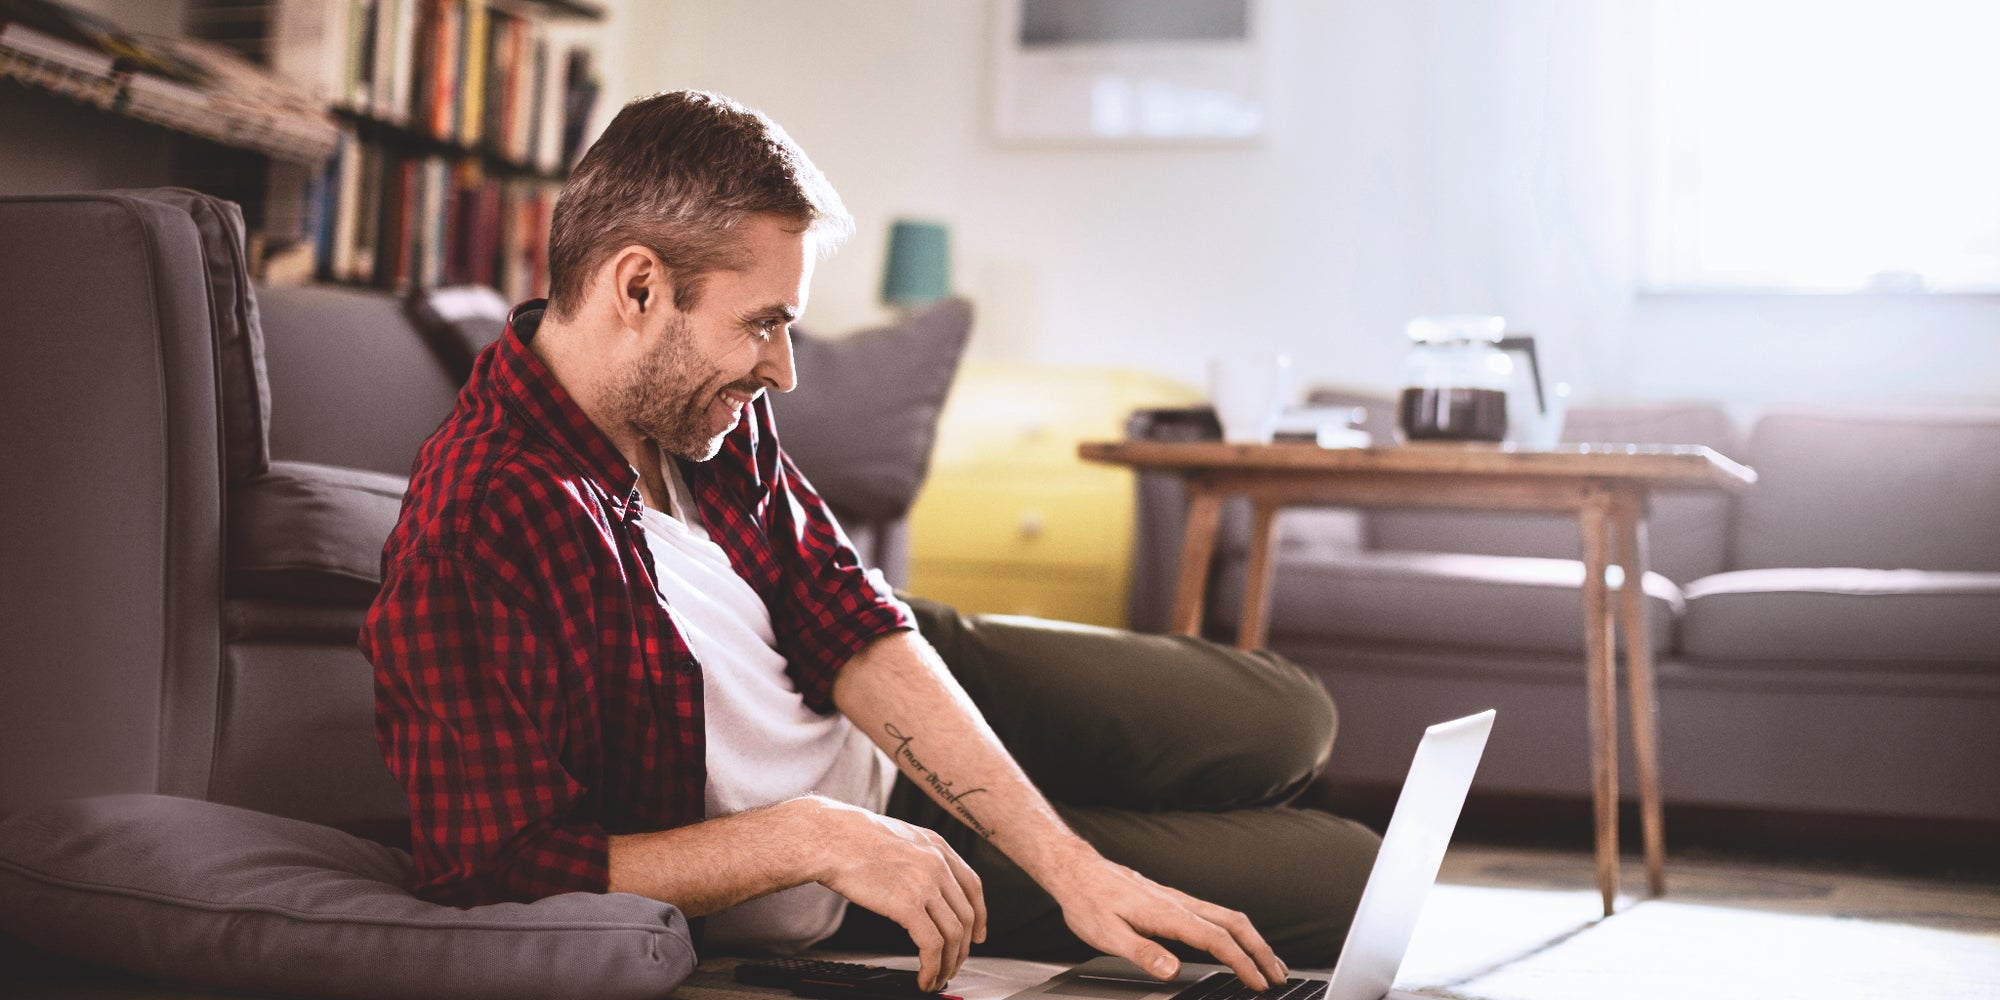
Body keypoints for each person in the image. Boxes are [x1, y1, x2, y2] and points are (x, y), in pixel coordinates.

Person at [361, 89, 1378, 993]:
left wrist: (1071, 867)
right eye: (762, 323)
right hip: (872, 854)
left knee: (1287, 714)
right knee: (1346, 880)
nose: (784, 369)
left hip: (892, 680)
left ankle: (1094, 824)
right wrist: (807, 836)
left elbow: (841, 614)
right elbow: (487, 869)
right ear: (637, 289)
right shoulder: (473, 528)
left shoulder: (697, 406)